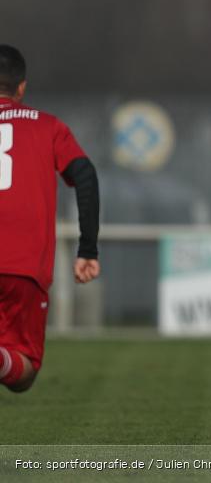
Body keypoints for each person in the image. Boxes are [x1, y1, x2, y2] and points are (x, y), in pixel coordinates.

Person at [0, 44, 100, 392]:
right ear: (22, 88)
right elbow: (84, 175)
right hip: (25, 266)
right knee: (22, 373)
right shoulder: (48, 127)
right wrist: (87, 249)